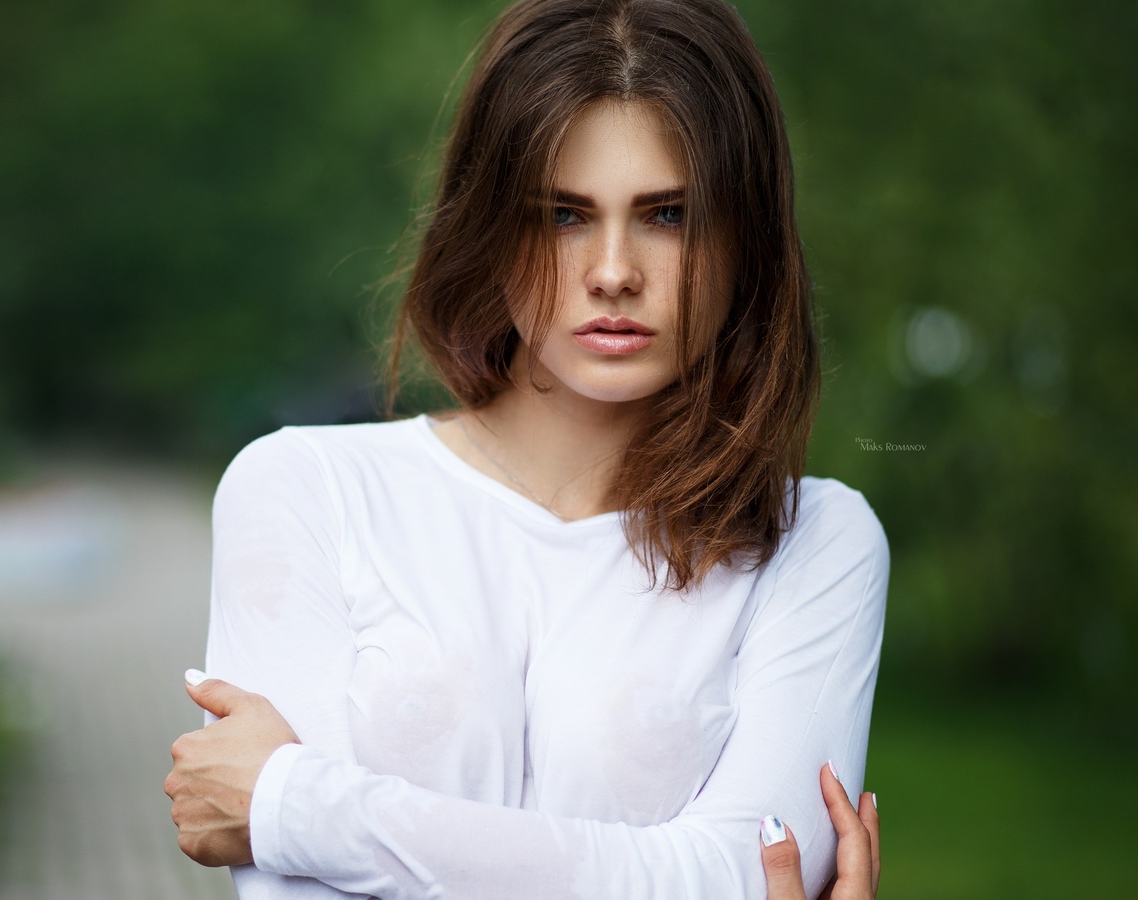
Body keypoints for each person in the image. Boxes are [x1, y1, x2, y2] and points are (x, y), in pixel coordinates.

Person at [164, 0, 890, 896]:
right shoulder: (303, 490)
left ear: (748, 239)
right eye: (561, 214)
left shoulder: (815, 542)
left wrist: (295, 806)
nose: (614, 269)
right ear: (489, 224)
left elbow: (742, 872)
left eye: (667, 215)